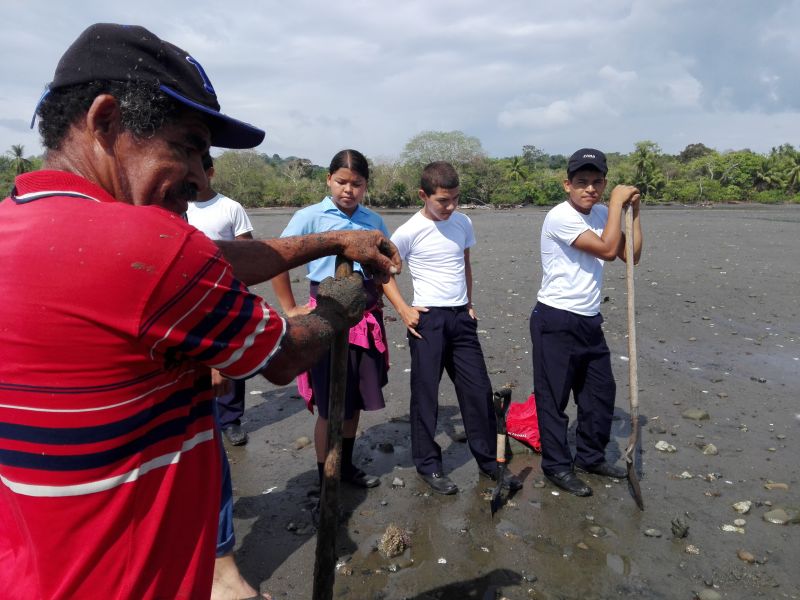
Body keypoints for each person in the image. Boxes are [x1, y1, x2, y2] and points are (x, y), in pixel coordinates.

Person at [0, 23, 399, 600]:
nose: (196, 175)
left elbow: (208, 257)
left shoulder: (20, 224)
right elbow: (285, 356)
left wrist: (332, 243)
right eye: (185, 145)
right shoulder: (150, 247)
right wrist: (345, 301)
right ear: (106, 121)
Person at [382, 161, 522, 495]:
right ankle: (428, 465)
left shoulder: (463, 222)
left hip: (461, 319)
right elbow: (383, 271)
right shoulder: (408, 231)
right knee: (426, 395)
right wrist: (404, 310)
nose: (451, 206)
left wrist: (469, 303)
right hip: (427, 320)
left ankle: (490, 463)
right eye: (443, 200)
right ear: (423, 195)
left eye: (456, 198)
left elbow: (465, 263)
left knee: (477, 391)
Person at [272, 149, 389, 491]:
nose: (348, 190)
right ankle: (326, 478)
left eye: (357, 184)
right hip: (323, 316)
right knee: (328, 405)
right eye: (341, 182)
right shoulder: (310, 217)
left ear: (366, 186)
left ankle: (347, 466)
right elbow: (278, 258)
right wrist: (291, 308)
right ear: (328, 180)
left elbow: (385, 269)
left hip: (363, 319)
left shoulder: (373, 221)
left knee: (353, 402)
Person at [529, 148, 642, 497]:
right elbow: (608, 250)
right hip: (556, 318)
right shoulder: (560, 217)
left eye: (596, 182)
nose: (589, 189)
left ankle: (590, 456)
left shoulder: (604, 214)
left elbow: (630, 256)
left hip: (589, 319)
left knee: (599, 394)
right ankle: (557, 466)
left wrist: (632, 214)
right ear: (567, 184)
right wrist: (618, 204)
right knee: (554, 398)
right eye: (581, 182)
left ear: (603, 183)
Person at [187, 152, 254, 447]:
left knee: (229, 358)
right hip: (187, 296)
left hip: (225, 294)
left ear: (210, 172)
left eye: (194, 170)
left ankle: (231, 420)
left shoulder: (230, 208)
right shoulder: (176, 206)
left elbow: (249, 253)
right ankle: (198, 418)